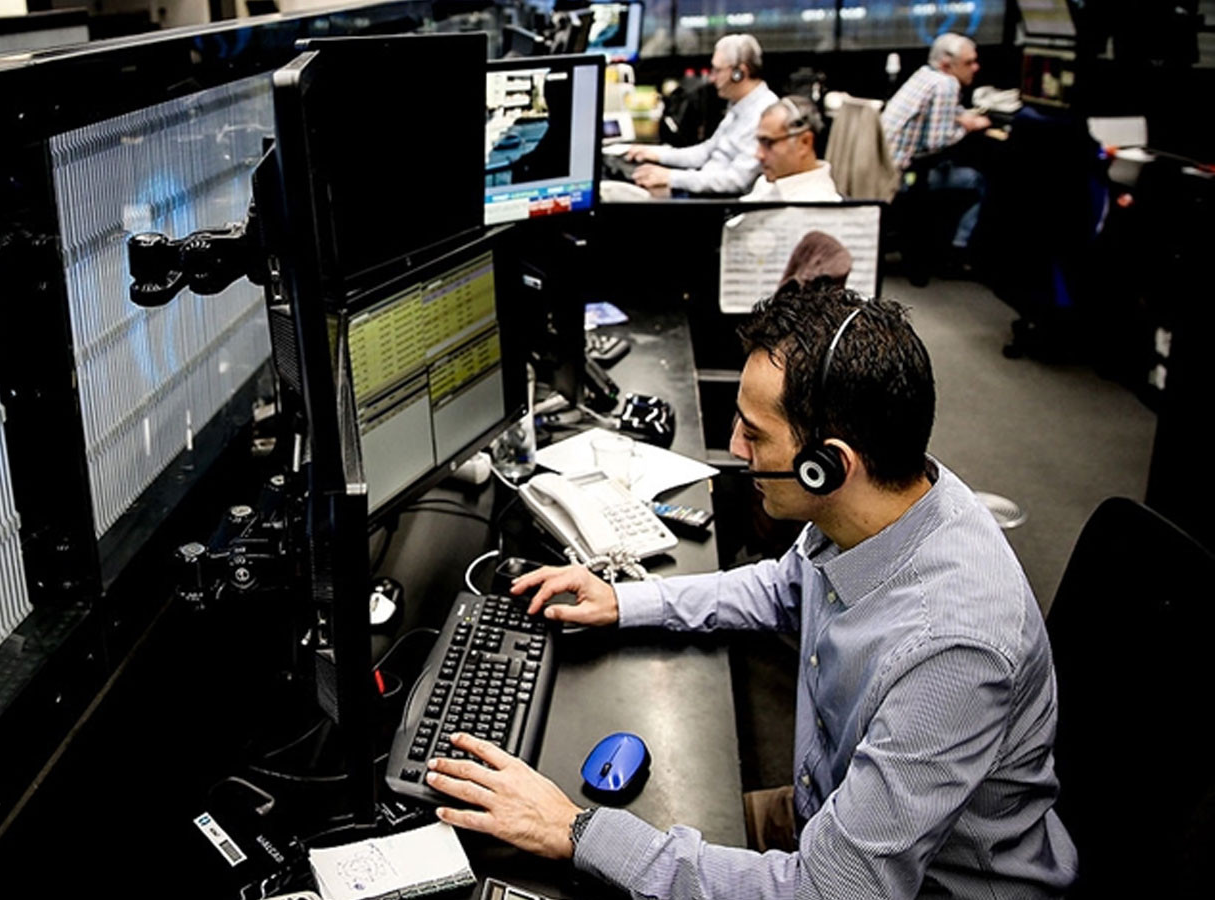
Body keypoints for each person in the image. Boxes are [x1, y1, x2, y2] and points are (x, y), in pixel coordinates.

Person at [422, 285, 1078, 898]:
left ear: (829, 464)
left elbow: (832, 889)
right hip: (827, 807)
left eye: (753, 434)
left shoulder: (949, 648)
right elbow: (785, 587)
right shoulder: (887, 492)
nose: (735, 451)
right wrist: (624, 600)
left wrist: (574, 831)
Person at [882, 32, 993, 253]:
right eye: (969, 62)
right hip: (904, 176)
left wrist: (959, 117)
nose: (976, 67)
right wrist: (968, 126)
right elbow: (936, 142)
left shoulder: (925, 75)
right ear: (946, 65)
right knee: (979, 180)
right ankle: (959, 247)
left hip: (884, 168)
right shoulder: (947, 84)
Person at [626, 34, 777, 195]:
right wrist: (657, 154)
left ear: (739, 73)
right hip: (703, 188)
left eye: (717, 70)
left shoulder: (766, 114)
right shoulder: (740, 106)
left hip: (720, 203)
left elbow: (736, 180)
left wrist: (671, 177)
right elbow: (705, 153)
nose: (712, 78)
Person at [741, 96, 841, 202]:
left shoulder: (817, 205)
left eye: (768, 143)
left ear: (804, 143)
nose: (759, 155)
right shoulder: (767, 181)